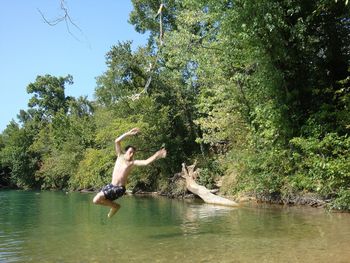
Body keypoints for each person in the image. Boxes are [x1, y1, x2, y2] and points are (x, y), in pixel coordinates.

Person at [92, 128, 167, 218]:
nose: (131, 155)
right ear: (126, 151)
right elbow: (117, 141)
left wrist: (157, 154)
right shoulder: (119, 156)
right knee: (98, 200)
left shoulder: (132, 163)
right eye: (130, 152)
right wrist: (128, 133)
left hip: (119, 189)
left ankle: (115, 206)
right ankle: (115, 206)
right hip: (111, 185)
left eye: (133, 153)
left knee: (96, 200)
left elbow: (146, 162)